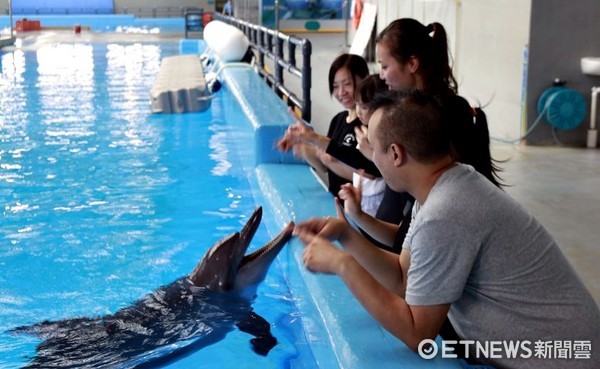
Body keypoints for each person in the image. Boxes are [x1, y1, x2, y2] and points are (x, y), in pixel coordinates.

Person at [294, 90, 600, 369]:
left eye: (374, 148)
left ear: (396, 154)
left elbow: (418, 333)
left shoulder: (445, 213)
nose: (371, 157)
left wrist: (342, 264)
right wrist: (345, 235)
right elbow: (405, 278)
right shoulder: (444, 185)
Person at [339, 18, 503, 254]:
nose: (382, 76)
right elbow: (403, 237)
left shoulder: (435, 116)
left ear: (412, 64)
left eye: (385, 67)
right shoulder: (419, 110)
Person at [276, 53, 370, 197]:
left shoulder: (366, 126)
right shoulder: (338, 120)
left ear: (364, 80)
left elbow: (368, 176)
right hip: (336, 201)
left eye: (347, 84)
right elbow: (324, 166)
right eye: (335, 86)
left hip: (358, 210)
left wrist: (323, 152)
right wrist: (302, 146)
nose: (341, 92)